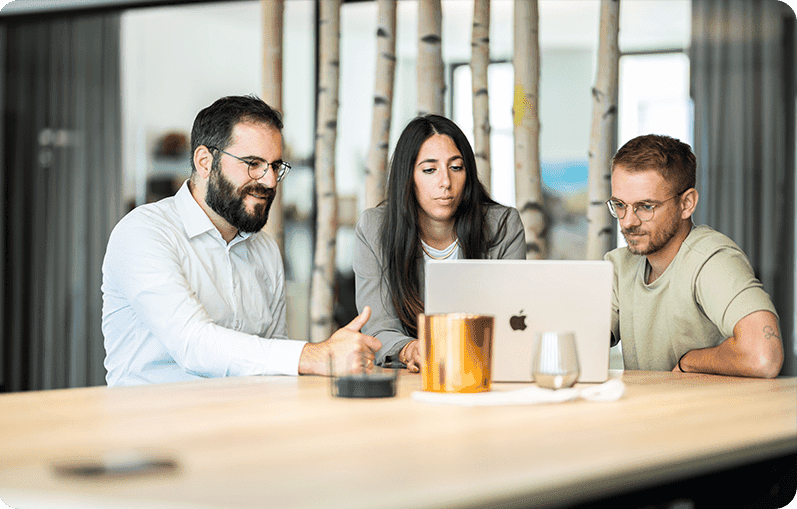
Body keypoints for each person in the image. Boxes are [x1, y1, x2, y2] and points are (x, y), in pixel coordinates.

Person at [102, 95, 380, 386]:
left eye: (275, 166)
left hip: (241, 422)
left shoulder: (264, 249)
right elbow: (193, 344)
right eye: (253, 163)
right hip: (148, 425)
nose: (270, 181)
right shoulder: (143, 233)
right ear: (205, 162)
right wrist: (315, 356)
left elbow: (271, 366)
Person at [353, 115, 526, 372]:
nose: (445, 182)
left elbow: (514, 319)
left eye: (456, 167)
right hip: (412, 380)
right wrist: (408, 349)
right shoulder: (374, 229)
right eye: (429, 170)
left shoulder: (502, 225)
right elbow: (378, 325)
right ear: (408, 177)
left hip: (487, 373)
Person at [604, 134, 783, 378]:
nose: (628, 222)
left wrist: (690, 361)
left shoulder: (711, 260)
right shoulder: (618, 265)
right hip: (648, 413)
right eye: (620, 205)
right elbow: (580, 342)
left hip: (709, 415)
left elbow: (764, 357)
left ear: (687, 203)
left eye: (645, 206)